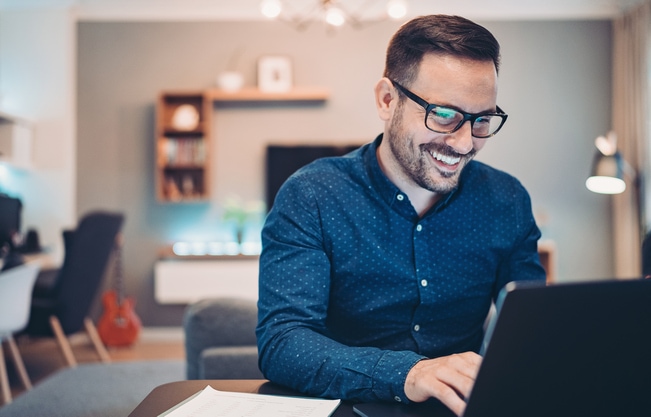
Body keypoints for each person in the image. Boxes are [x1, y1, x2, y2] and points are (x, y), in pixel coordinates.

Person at [256, 14, 546, 417]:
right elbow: (283, 344)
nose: (464, 144)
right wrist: (409, 374)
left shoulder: (507, 199)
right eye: (444, 114)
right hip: (346, 407)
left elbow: (531, 331)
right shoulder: (312, 195)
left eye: (482, 120)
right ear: (387, 100)